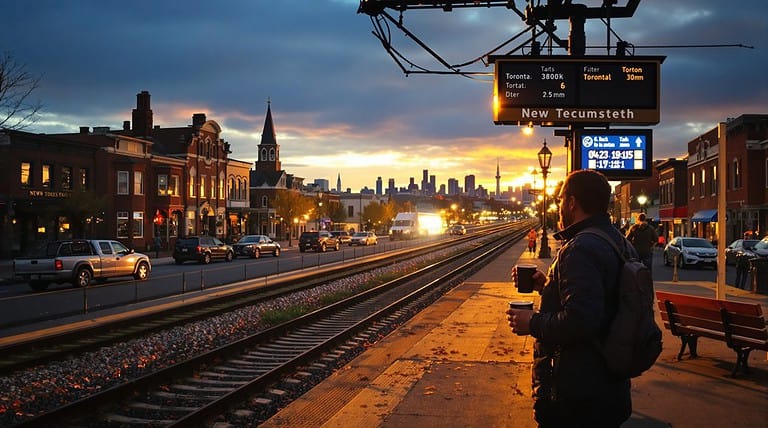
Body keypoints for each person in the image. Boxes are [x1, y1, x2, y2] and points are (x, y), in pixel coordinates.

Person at [508, 169, 634, 427]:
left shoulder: (580, 248)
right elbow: (601, 301)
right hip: (609, 384)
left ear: (572, 202)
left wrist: (531, 323)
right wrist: (548, 286)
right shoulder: (618, 241)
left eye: (561, 199)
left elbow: (581, 321)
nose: (559, 205)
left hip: (576, 394)